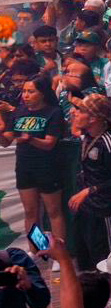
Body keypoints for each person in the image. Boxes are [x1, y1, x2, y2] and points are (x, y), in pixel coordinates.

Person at [0, 75, 66, 240]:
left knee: (53, 211)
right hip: (24, 167)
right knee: (30, 212)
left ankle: (59, 254)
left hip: (47, 167)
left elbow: (49, 143)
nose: (26, 95)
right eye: (24, 91)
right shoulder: (19, 112)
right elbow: (7, 141)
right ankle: (38, 250)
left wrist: (29, 138)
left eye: (31, 91)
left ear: (42, 93)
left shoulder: (53, 112)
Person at [68, 94, 111, 270]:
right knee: (86, 256)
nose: (74, 113)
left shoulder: (110, 142)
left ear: (93, 118)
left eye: (80, 111)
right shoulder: (88, 135)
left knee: (108, 257)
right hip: (85, 208)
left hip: (103, 211)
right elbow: (75, 130)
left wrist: (89, 190)